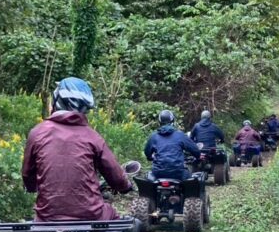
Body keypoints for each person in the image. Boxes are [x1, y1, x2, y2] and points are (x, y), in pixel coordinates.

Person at [22, 77, 132, 221]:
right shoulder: (92, 136)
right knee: (119, 222)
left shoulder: (37, 133)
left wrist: (31, 187)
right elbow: (115, 175)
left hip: (47, 218)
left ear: (56, 101)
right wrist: (125, 186)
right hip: (91, 215)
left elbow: (27, 174)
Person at [144, 110, 200, 180]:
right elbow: (195, 150)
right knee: (190, 179)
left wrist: (150, 157)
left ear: (159, 122)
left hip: (158, 173)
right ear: (173, 121)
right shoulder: (180, 135)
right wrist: (197, 156)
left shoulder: (154, 136)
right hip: (178, 172)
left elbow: (147, 152)